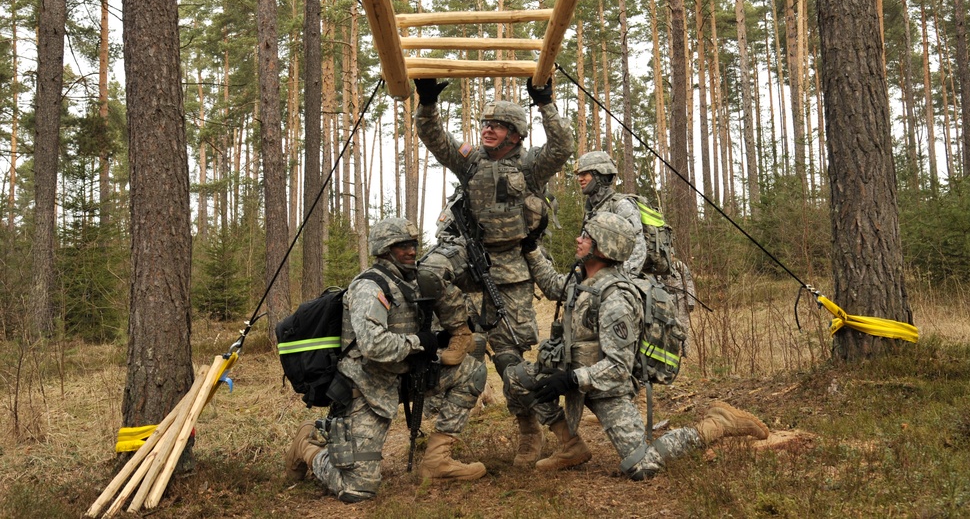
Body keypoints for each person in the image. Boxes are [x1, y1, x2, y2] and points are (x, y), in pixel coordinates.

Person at [505, 211, 769, 479]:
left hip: (606, 387)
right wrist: (532, 249)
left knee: (641, 466)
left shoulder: (616, 299)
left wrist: (572, 379)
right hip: (573, 375)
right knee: (516, 378)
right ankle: (572, 446)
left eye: (586, 236)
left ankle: (717, 424)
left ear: (603, 247)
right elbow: (553, 286)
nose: (578, 239)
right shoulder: (581, 279)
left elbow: (619, 368)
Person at [414, 76, 573, 467]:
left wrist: (546, 103)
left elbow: (562, 146)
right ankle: (460, 330)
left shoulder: (531, 166)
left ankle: (533, 431)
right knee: (429, 272)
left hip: (512, 274)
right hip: (469, 261)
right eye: (485, 123)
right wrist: (428, 101)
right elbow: (435, 138)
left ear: (515, 135)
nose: (486, 129)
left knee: (511, 365)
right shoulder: (471, 161)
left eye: (496, 125)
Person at [284, 218, 488, 503]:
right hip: (368, 390)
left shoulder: (415, 281)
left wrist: (439, 339)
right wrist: (419, 343)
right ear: (384, 250)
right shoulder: (370, 287)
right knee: (358, 489)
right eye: (401, 246)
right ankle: (307, 447)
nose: (411, 251)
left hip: (407, 377)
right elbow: (372, 345)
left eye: (413, 244)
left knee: (471, 371)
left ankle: (437, 460)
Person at [575, 150, 646, 276]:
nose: (580, 179)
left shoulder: (621, 206)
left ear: (600, 175)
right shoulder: (592, 209)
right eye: (579, 175)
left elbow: (638, 251)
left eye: (585, 174)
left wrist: (618, 283)